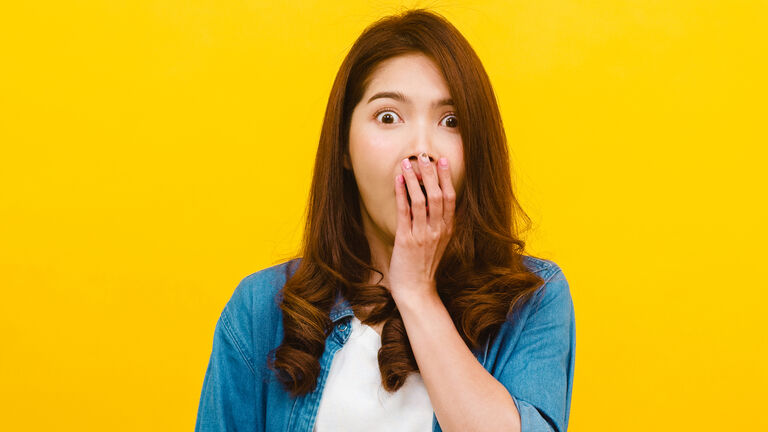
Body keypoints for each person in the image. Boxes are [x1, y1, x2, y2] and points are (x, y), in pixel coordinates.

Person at [195, 8, 575, 432]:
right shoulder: (260, 310)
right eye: (388, 117)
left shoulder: (532, 302)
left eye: (450, 121)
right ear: (343, 148)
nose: (421, 149)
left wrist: (416, 292)